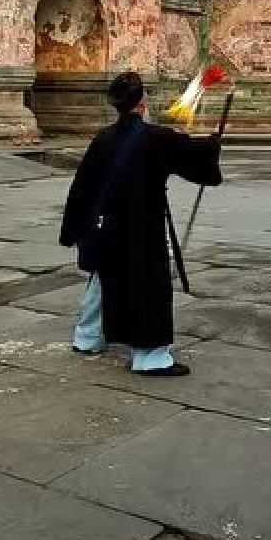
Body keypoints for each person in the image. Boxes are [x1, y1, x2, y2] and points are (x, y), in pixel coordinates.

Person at [59, 70, 222, 375]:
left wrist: (74, 229)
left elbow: (81, 187)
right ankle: (150, 356)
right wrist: (213, 145)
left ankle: (88, 337)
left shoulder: (103, 138)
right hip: (140, 227)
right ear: (142, 102)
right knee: (146, 285)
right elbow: (193, 155)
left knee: (103, 277)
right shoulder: (157, 137)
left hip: (104, 226)